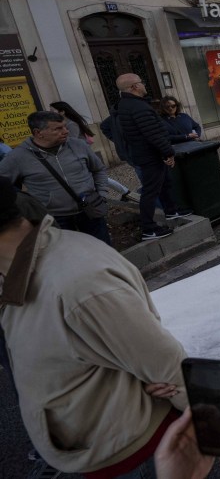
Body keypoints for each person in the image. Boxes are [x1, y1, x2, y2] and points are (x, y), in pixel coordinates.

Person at [0, 175, 190, 478]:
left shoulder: (80, 284)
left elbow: (166, 363)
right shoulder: (19, 267)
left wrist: (204, 424)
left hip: (120, 454)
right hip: (90, 444)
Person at [0, 111, 111, 244]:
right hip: (55, 219)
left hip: (90, 211)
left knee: (102, 249)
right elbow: (4, 187)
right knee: (66, 258)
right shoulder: (17, 157)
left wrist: (102, 194)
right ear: (38, 132)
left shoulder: (78, 145)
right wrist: (26, 208)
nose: (66, 131)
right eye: (58, 129)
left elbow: (99, 170)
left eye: (64, 126)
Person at [115, 73, 189, 240]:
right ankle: (149, 228)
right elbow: (153, 134)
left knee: (165, 183)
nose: (144, 85)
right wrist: (168, 153)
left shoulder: (128, 104)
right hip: (149, 156)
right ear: (134, 87)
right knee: (151, 191)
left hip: (148, 154)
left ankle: (171, 211)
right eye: (141, 82)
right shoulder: (137, 107)